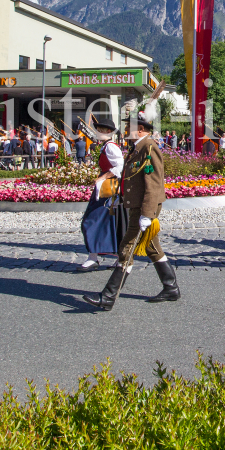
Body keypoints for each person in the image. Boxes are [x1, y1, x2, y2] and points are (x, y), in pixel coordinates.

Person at [84, 112, 178, 310]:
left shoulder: (149, 147)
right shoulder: (138, 147)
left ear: (141, 130)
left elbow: (153, 184)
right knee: (152, 248)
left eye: (129, 127)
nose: (126, 130)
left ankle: (108, 297)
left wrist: (148, 213)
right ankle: (171, 288)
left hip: (143, 208)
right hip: (136, 206)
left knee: (126, 248)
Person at [76, 121, 126, 272]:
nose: (98, 132)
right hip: (105, 189)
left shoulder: (110, 146)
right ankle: (112, 257)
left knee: (91, 221)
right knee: (108, 222)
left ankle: (94, 257)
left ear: (108, 132)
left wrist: (103, 177)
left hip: (107, 190)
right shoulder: (106, 145)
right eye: (98, 130)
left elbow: (119, 166)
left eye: (101, 130)